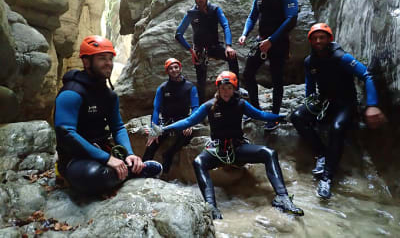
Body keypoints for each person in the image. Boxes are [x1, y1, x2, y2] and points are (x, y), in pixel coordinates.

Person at [147, 71, 304, 219]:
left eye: (229, 88)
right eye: (222, 88)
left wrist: (279, 117)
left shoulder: (241, 104)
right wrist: (163, 129)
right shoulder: (209, 106)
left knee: (268, 153)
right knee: (198, 162)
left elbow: (260, 115)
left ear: (234, 89)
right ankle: (211, 206)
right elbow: (189, 121)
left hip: (238, 148)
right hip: (217, 149)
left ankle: (282, 197)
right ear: (218, 88)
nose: (225, 91)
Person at [54, 35, 162, 195]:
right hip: (75, 156)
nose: (108, 63)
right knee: (94, 176)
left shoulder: (108, 95)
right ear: (86, 62)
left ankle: (127, 169)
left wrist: (129, 154)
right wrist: (107, 159)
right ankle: (132, 172)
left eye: (110, 59)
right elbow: (65, 133)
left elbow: (117, 127)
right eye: (102, 58)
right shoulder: (72, 92)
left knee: (105, 172)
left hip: (103, 151)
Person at [290, 23, 387, 199]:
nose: (319, 41)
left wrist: (372, 104)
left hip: (346, 103)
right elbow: (310, 87)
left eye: (322, 37)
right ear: (311, 41)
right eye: (315, 38)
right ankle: (322, 154)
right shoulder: (310, 61)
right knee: (297, 116)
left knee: (337, 128)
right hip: (325, 100)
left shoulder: (341, 57)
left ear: (329, 39)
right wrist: (310, 104)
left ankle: (327, 178)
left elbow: (367, 75)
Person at [238, 0, 298, 130]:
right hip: (261, 40)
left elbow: (291, 20)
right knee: (248, 73)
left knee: (277, 79)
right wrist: (244, 33)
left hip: (278, 43)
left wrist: (272, 40)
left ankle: (274, 116)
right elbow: (252, 16)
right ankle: (256, 110)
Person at [175, 0, 239, 103]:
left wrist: (228, 46)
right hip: (199, 50)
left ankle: (235, 94)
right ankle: (201, 108)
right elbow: (178, 34)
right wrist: (191, 50)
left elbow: (225, 25)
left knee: (232, 57)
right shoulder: (191, 13)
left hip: (214, 46)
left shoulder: (215, 9)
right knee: (201, 80)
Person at [142, 58, 199, 173]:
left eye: (176, 67)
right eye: (170, 68)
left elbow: (195, 107)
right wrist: (154, 128)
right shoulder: (162, 88)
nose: (174, 70)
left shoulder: (190, 87)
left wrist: (191, 123)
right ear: (167, 71)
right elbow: (156, 109)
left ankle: (168, 155)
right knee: (152, 142)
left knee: (186, 135)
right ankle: (141, 169)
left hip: (182, 121)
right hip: (166, 121)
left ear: (180, 68)